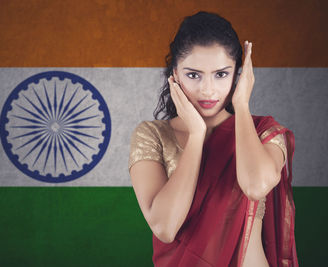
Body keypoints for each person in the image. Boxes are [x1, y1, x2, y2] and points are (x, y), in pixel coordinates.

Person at [128, 11, 298, 267]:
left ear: (238, 75)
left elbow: (254, 185)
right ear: (174, 74)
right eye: (193, 75)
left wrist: (241, 105)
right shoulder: (152, 135)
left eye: (221, 74)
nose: (208, 89)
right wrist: (196, 135)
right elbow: (165, 227)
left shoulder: (264, 131)